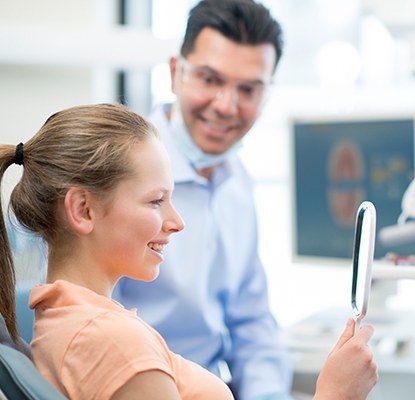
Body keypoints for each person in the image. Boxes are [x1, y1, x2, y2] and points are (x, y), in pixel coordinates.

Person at [0, 103, 377, 399]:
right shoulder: (113, 344)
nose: (177, 221)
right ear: (83, 210)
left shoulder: (64, 318)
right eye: (155, 201)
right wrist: (336, 394)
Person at [113, 0, 299, 398]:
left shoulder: (237, 182)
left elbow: (251, 323)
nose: (226, 105)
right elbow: (89, 327)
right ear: (176, 72)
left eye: (248, 89)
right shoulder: (115, 172)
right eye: (210, 79)